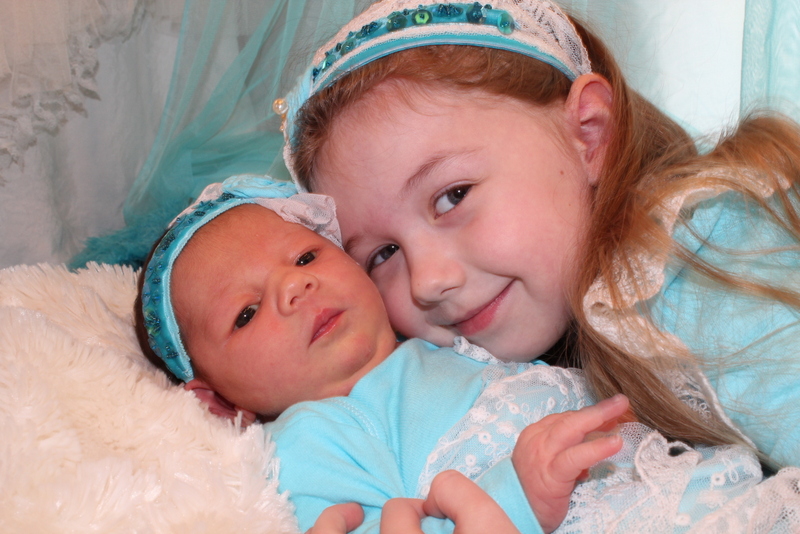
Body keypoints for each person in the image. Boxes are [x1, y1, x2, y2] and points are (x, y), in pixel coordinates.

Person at [278, 0, 800, 469]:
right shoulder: (506, 366)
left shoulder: (707, 253)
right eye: (384, 253)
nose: (428, 281)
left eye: (453, 196)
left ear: (589, 135)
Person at [135, 175, 797, 534]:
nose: (294, 287)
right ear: (217, 402)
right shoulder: (308, 439)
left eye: (307, 257)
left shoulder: (449, 339)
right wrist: (517, 498)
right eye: (246, 313)